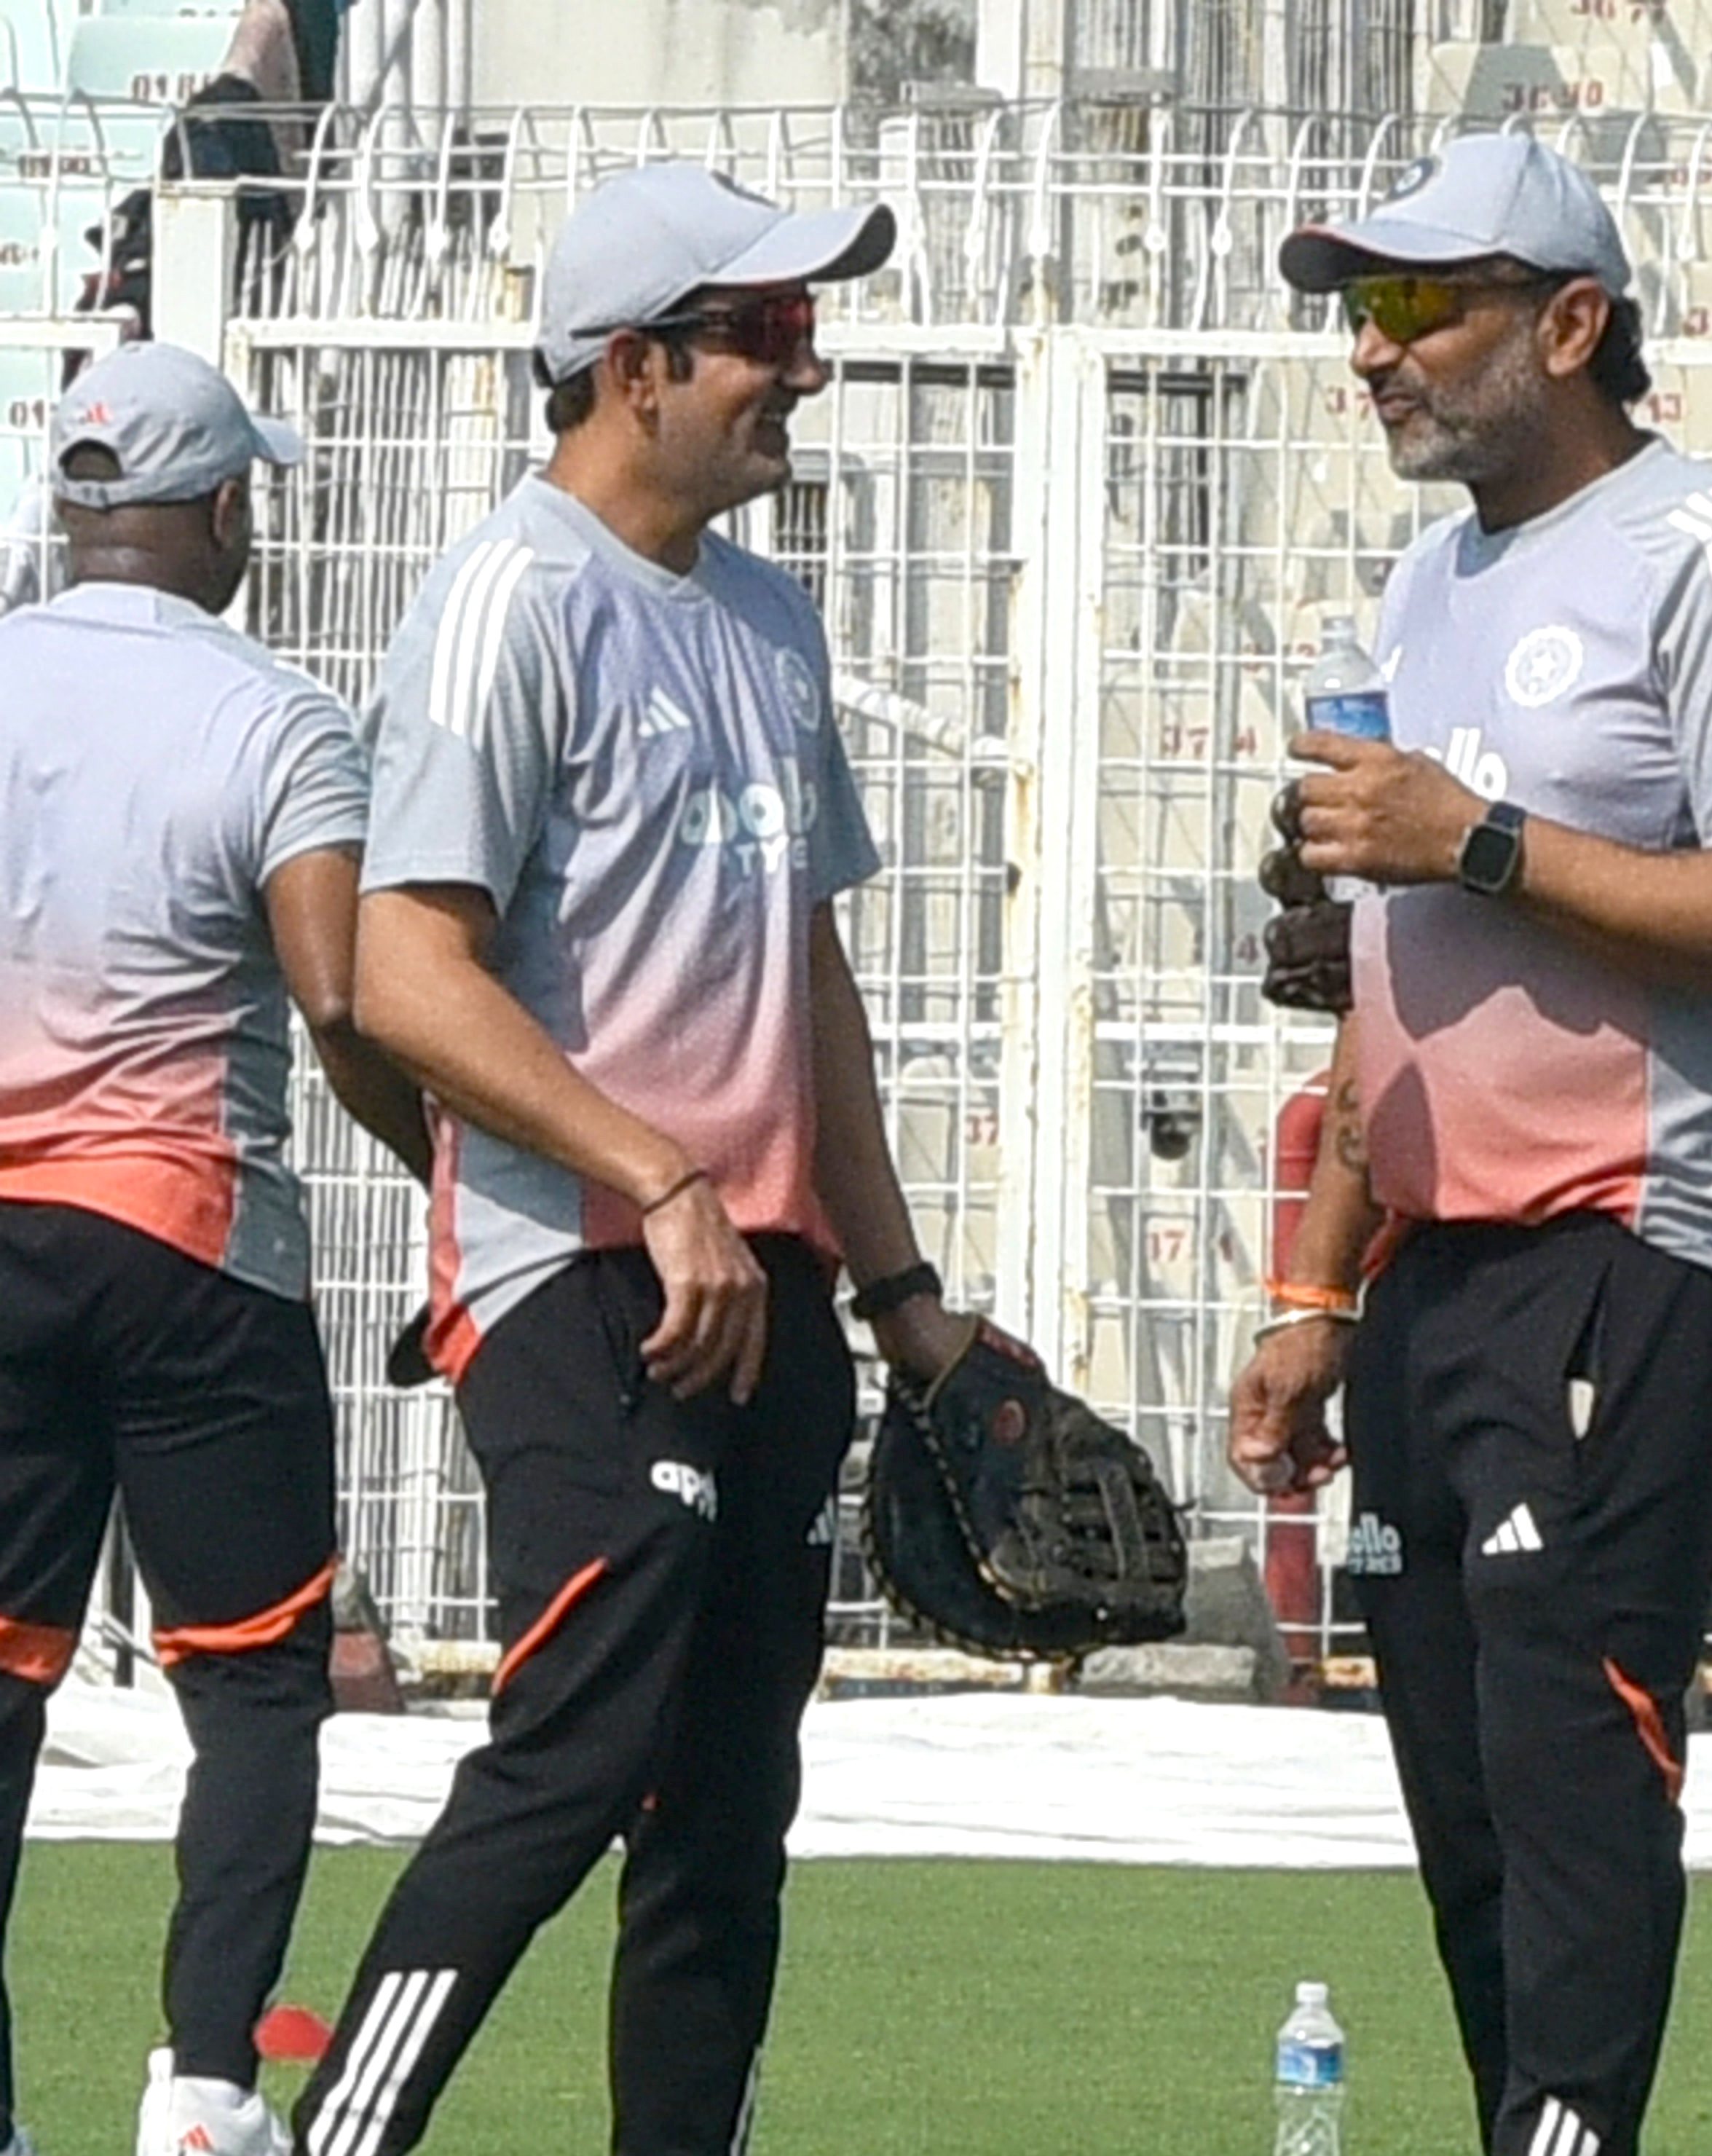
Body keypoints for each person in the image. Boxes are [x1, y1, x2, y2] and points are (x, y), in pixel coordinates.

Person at [286, 162, 990, 2156]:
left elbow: (809, 984)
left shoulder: (764, 616)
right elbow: (400, 975)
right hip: (585, 1278)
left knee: (728, 1805)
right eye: (767, 334)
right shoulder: (513, 595)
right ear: (633, 366)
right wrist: (654, 1174)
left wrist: (903, 1289)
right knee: (581, 1746)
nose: (807, 369)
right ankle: (342, 2132)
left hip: (758, 1287)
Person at [1229, 135, 1712, 2156]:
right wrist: (1317, 1284)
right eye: (1363, 311)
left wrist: (1472, 843)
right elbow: (1415, 964)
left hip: (1632, 1237)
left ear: (1575, 325)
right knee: (1462, 1779)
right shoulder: (1437, 581)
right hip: (1434, 1265)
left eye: (1424, 306)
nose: (1376, 354)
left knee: (1571, 1744)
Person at [0, 342, 427, 2156]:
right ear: (230, 505)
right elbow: (338, 994)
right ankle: (201, 2090)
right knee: (251, 1677)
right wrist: (448, 1167)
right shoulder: (280, 716)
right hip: (192, 1245)